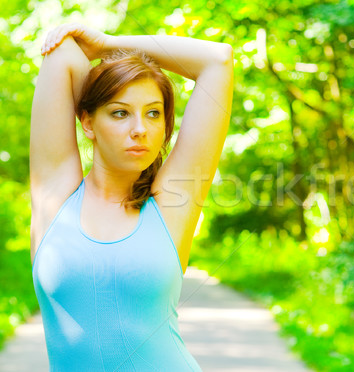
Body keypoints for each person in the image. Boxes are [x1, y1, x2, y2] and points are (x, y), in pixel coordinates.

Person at [30, 22, 233, 371]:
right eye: (120, 112)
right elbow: (63, 52)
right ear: (88, 123)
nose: (140, 129)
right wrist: (100, 65)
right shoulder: (56, 194)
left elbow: (218, 59)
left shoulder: (171, 202)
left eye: (153, 113)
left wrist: (109, 45)